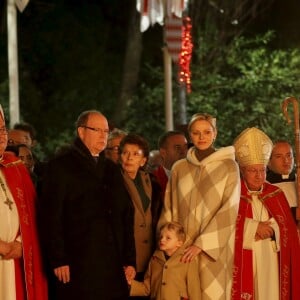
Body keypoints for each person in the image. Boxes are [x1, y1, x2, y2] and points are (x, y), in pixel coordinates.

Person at [39, 110, 136, 300]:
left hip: (112, 265)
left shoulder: (111, 169)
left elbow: (126, 215)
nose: (103, 136)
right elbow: (51, 217)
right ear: (81, 131)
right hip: (78, 264)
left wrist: (129, 260)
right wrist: (59, 259)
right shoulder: (60, 167)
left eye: (106, 131)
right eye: (97, 130)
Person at [158, 113, 240, 299]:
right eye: (196, 133)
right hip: (182, 249)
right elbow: (170, 207)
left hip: (214, 252)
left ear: (215, 133)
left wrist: (202, 244)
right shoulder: (179, 168)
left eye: (206, 132)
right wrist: (170, 244)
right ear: (190, 136)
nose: (202, 137)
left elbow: (229, 209)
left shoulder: (229, 167)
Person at [232, 127, 300, 300]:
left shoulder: (276, 193)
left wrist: (273, 230)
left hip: (272, 258)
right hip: (247, 257)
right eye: (253, 171)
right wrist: (253, 228)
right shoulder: (233, 195)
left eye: (262, 170)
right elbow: (225, 225)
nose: (259, 176)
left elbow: (288, 229)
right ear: (242, 170)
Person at [0, 105, 48, 300]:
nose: (1, 135)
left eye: (2, 129)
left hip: (15, 260)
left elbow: (32, 215)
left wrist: (21, 243)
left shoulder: (15, 167)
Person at [119, 133, 162, 284]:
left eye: (135, 154)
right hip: (126, 257)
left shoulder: (151, 182)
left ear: (143, 161)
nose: (129, 158)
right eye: (125, 153)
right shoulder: (114, 183)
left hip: (151, 255)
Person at [127, 221, 201, 300]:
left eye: (168, 238)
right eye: (161, 237)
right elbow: (146, 288)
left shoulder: (187, 260)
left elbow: (194, 289)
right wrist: (130, 284)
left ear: (179, 243)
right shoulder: (154, 260)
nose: (162, 240)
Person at [267, 140, 297, 222]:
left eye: (289, 155)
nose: (286, 161)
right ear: (268, 162)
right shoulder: (264, 187)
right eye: (279, 156)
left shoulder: (298, 182)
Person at [152, 130, 188, 198]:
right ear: (163, 153)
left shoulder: (195, 175)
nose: (183, 152)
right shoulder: (152, 181)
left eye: (185, 147)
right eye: (178, 148)